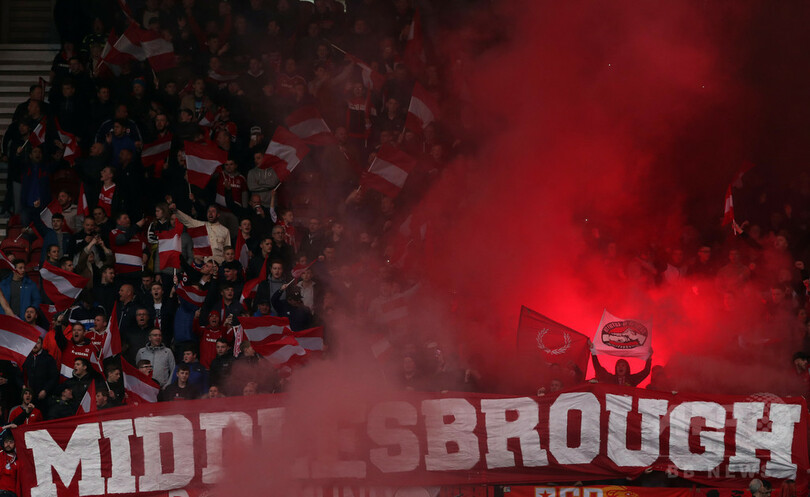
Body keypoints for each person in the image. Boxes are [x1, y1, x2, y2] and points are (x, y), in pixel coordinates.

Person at [0, 430, 19, 496]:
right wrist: (8, 426)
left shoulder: (19, 460)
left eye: (11, 442)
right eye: (6, 442)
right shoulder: (0, 454)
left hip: (11, 493)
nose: (8, 444)